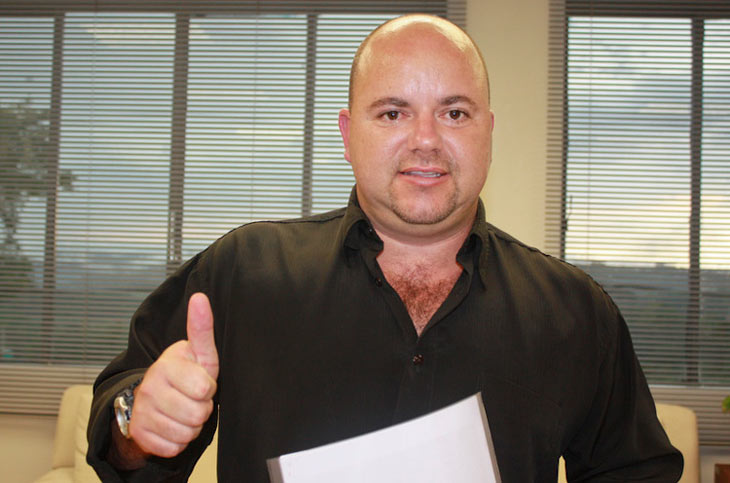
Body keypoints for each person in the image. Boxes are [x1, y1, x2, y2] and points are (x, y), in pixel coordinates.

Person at [87, 13, 683, 482]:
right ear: (349, 136)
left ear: (488, 133)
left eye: (455, 112)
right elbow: (119, 429)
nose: (425, 140)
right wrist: (138, 420)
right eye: (393, 112)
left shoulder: (576, 311)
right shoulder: (243, 271)